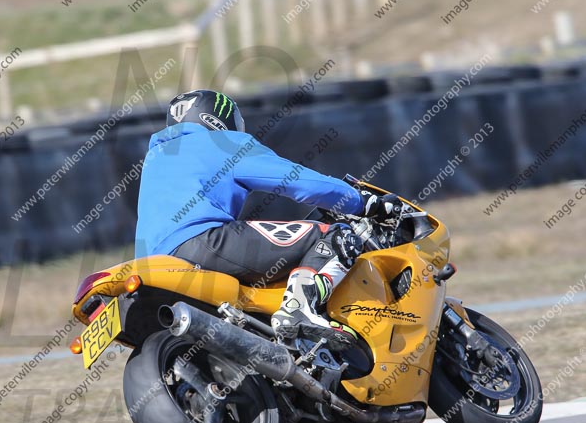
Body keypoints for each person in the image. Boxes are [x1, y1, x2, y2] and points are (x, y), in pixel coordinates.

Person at [135, 89, 400, 342]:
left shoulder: (155, 157)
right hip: (204, 243)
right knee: (332, 235)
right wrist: (361, 202)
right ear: (216, 118)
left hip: (152, 266)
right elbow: (298, 181)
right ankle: (298, 310)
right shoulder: (221, 142)